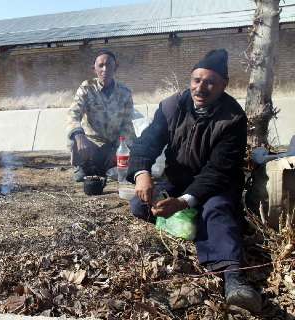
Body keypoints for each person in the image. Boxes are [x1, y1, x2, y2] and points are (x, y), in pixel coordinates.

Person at [129, 49, 262, 313]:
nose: (201, 88)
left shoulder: (233, 118)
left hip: (216, 185)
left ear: (223, 85)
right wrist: (141, 173)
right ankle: (195, 224)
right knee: (139, 205)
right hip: (178, 181)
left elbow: (218, 170)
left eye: (210, 82)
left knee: (216, 211)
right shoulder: (171, 106)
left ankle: (233, 278)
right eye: (196, 80)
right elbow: (146, 143)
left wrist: (183, 202)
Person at [67, 49, 136, 182]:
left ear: (115, 67)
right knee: (74, 139)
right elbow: (73, 114)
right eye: (101, 65)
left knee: (132, 154)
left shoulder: (125, 93)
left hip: (113, 144)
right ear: (94, 69)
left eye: (109, 65)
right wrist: (79, 135)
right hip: (91, 144)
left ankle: (106, 166)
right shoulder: (87, 88)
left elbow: (127, 125)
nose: (105, 69)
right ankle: (83, 166)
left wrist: (121, 147)